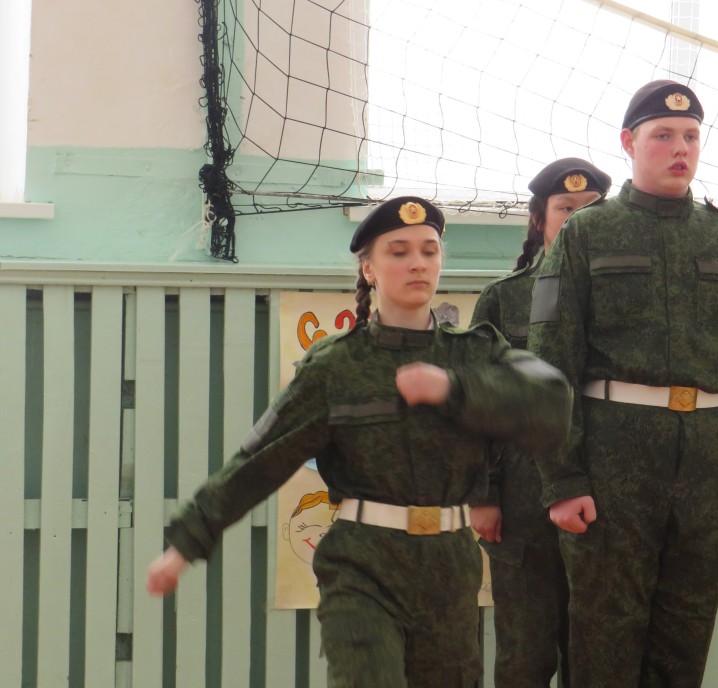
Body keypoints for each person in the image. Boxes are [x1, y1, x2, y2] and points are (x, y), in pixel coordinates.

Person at [146, 196, 573, 688]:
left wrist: (455, 390)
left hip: (449, 565)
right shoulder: (335, 366)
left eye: (429, 250)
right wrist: (185, 544)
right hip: (362, 564)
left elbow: (552, 403)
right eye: (399, 251)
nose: (418, 263)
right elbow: (259, 460)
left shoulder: (475, 352)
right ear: (369, 269)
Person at [528, 79, 718, 686]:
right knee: (604, 638)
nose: (679, 148)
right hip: (613, 454)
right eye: (663, 135)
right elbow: (551, 364)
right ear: (628, 143)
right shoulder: (586, 234)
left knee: (685, 639)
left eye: (690, 136)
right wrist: (562, 478)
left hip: (710, 459)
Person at [470, 157, 612, 687]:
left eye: (590, 209)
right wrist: (484, 494)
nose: (577, 219)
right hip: (521, 497)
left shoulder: (623, 301)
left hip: (604, 490)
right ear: (539, 219)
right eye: (565, 209)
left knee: (594, 654)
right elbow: (481, 407)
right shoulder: (503, 298)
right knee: (525, 655)